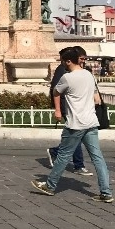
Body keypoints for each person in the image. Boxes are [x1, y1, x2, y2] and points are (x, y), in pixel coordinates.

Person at [31, 46, 113, 202]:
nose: (62, 64)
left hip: (75, 124)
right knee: (98, 158)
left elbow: (55, 92)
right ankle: (106, 192)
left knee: (63, 156)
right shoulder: (89, 75)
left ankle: (50, 185)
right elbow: (95, 96)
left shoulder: (67, 78)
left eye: (63, 61)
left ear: (68, 61)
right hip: (91, 122)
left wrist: (57, 110)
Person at [47, 47, 92, 176]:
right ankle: (79, 165)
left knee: (75, 138)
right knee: (76, 137)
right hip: (68, 108)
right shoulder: (62, 70)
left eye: (85, 59)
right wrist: (58, 110)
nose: (83, 61)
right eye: (81, 58)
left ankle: (55, 151)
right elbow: (55, 90)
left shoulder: (82, 72)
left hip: (79, 109)